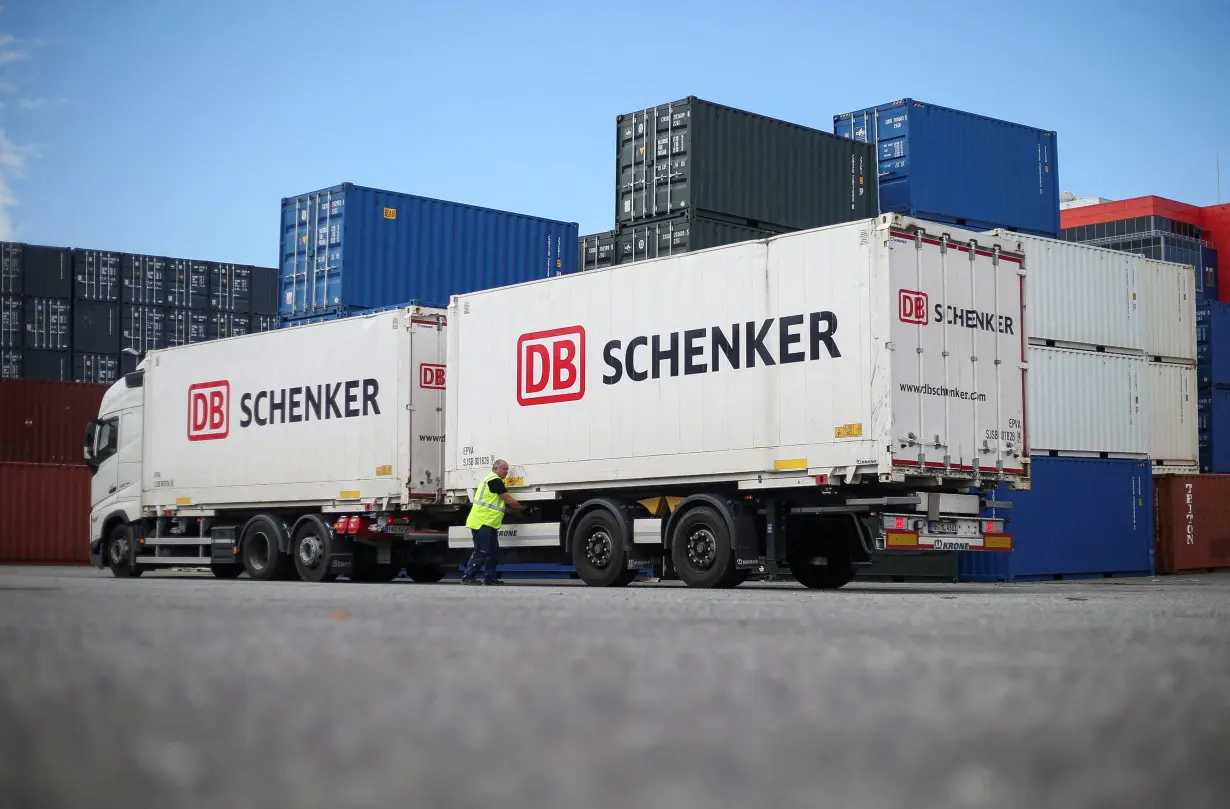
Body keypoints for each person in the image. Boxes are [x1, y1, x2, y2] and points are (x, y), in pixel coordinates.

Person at [460, 459, 525, 585]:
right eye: (504, 469)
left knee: (493, 551)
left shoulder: (494, 481)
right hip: (481, 522)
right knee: (482, 551)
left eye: (507, 469)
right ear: (496, 468)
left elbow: (497, 505)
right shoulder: (493, 480)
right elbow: (507, 499)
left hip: (488, 523)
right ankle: (468, 576)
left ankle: (489, 577)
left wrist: (511, 511)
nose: (506, 472)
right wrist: (521, 508)